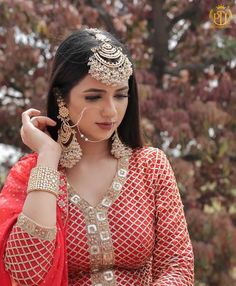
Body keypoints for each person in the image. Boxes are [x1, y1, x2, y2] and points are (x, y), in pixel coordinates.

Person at [0, 28, 194, 286]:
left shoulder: (149, 166)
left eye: (121, 95)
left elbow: (177, 267)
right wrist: (48, 156)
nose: (111, 111)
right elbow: (27, 273)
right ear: (62, 99)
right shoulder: (34, 175)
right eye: (94, 97)